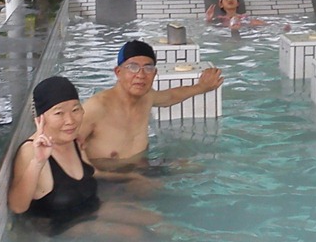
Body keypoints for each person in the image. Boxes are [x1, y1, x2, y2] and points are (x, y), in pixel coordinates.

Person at [79, 39, 223, 163]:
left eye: (148, 68)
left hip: (143, 169)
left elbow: (170, 96)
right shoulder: (97, 108)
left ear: (154, 73)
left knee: (194, 168)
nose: (141, 75)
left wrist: (201, 87)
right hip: (109, 179)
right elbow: (68, 147)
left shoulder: (147, 97)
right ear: (118, 72)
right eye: (133, 67)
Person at [7, 75, 98, 219]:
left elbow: (93, 176)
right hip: (56, 229)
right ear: (40, 119)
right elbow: (17, 207)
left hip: (91, 218)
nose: (70, 120)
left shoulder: (74, 140)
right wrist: (38, 162)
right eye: (59, 113)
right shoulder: (31, 151)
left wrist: (126, 177)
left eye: (75, 110)